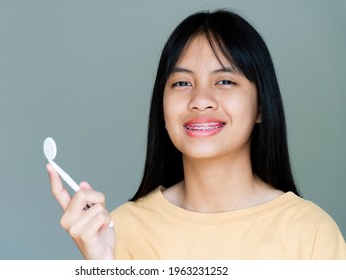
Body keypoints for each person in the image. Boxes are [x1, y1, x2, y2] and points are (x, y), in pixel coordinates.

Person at [46, 9, 346, 259]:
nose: (200, 99)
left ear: (261, 107)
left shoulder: (311, 232)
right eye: (181, 83)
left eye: (225, 81)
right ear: (162, 109)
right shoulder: (118, 231)